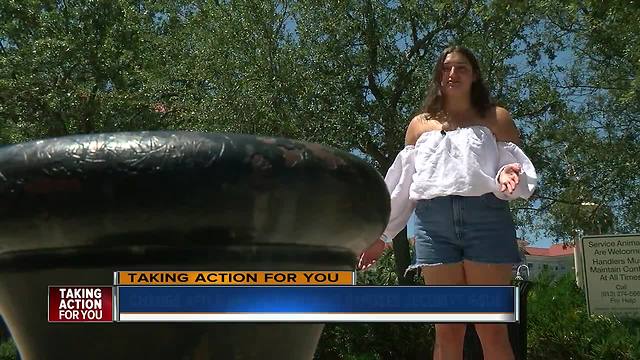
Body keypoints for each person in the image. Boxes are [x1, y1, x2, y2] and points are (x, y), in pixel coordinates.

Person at [357, 46, 537, 360]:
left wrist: (510, 175)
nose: (452, 74)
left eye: (461, 68)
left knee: (491, 327)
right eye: (446, 68)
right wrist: (382, 237)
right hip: (433, 225)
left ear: (474, 75)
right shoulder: (419, 125)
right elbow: (403, 187)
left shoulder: (496, 118)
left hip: (487, 221)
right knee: (447, 329)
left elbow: (511, 168)